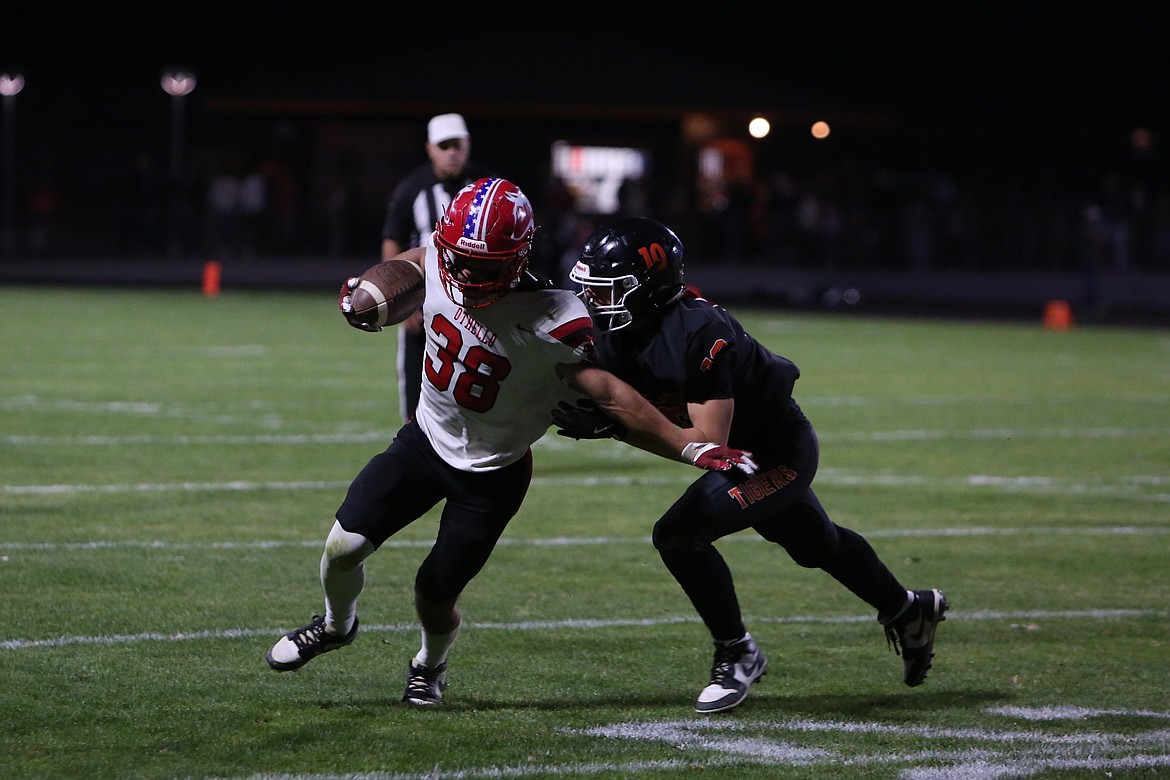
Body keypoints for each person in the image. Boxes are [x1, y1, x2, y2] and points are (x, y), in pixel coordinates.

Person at [265, 179, 756, 707]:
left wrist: (686, 445)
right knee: (344, 546)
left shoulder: (557, 317)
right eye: (461, 259)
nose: (469, 275)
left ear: (519, 257)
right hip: (425, 441)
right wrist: (370, 291)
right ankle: (338, 626)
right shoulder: (441, 257)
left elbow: (612, 394)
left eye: (486, 264)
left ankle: (428, 666)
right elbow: (415, 261)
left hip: (494, 474)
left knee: (435, 590)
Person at [553, 217, 948, 714]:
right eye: (593, 288)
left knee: (679, 534)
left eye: (613, 290)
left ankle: (736, 652)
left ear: (651, 289)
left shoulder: (699, 332)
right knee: (814, 543)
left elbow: (704, 444)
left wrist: (617, 427)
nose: (596, 302)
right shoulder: (618, 330)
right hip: (735, 455)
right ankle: (909, 610)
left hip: (771, 450)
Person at [380, 113, 493, 423]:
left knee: (481, 395)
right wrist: (400, 299)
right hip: (424, 302)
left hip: (476, 306)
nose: (452, 152)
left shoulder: (488, 188)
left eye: (457, 144)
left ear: (468, 145)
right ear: (430, 148)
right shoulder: (411, 189)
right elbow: (392, 242)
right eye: (444, 146)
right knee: (416, 401)